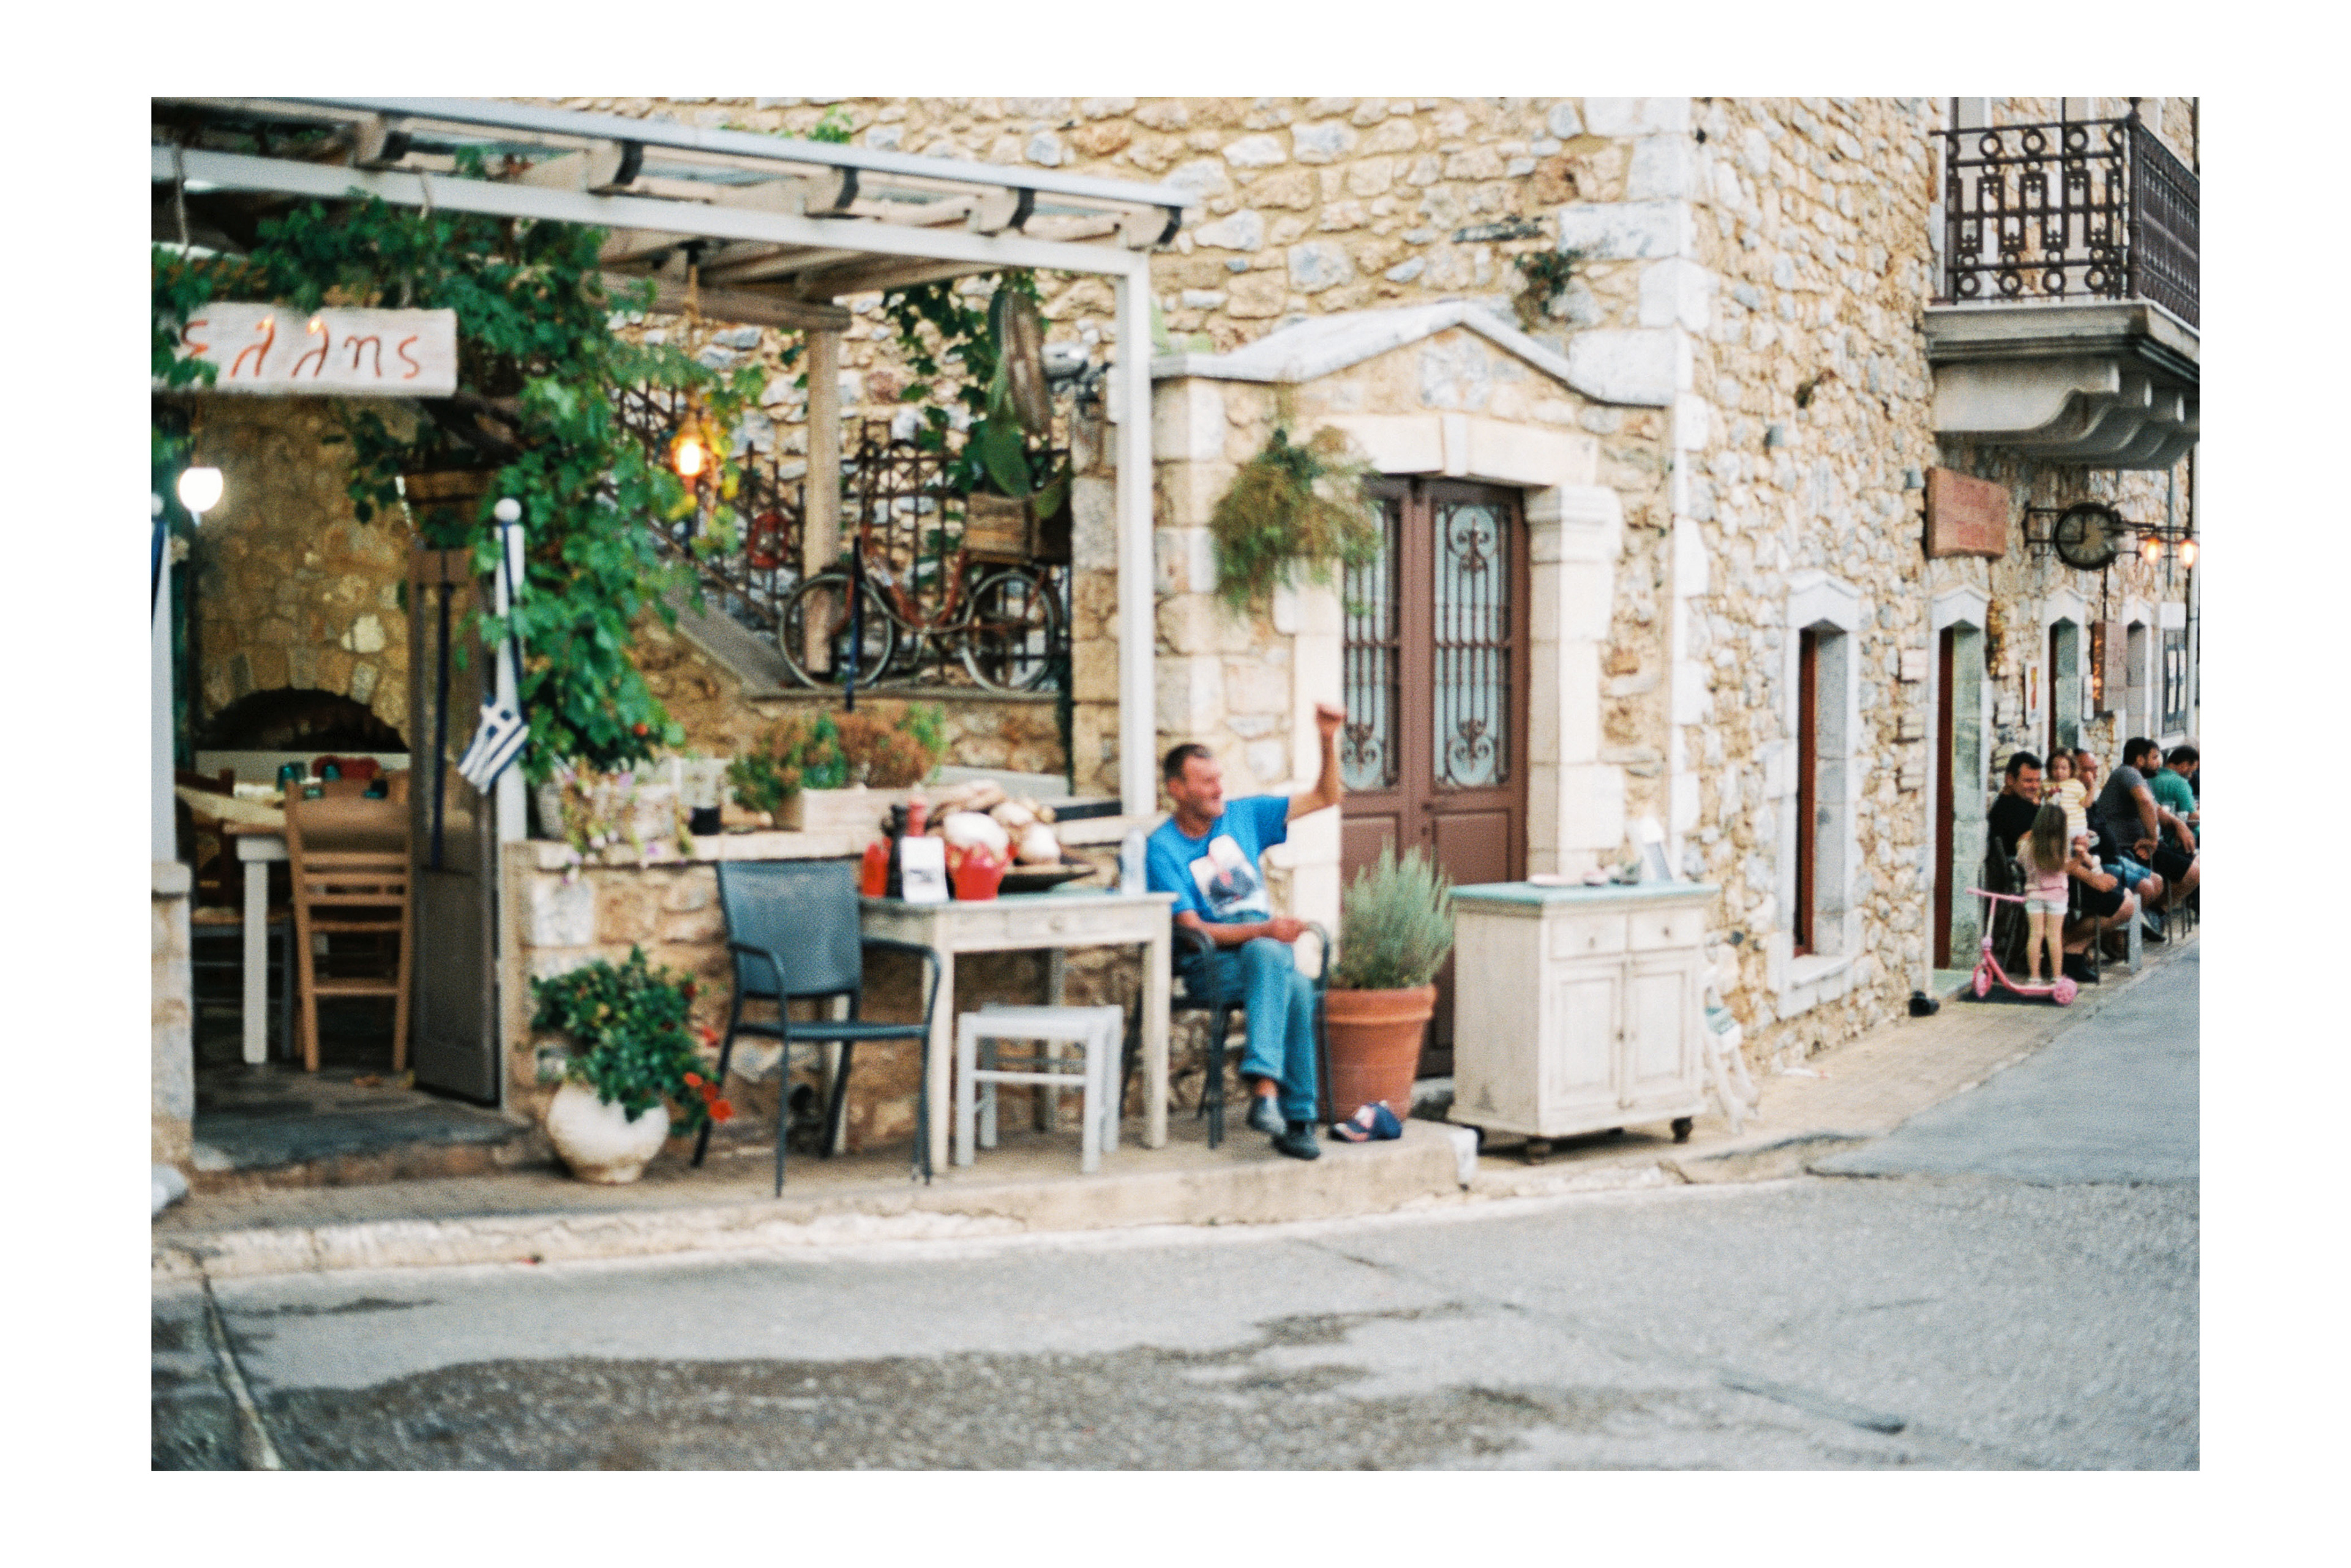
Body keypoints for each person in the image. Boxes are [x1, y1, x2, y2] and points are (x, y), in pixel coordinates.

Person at [1147, 702, 1347, 1161]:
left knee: (1288, 975)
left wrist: (1326, 740)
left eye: (1220, 778)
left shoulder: (1245, 815)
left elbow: (1326, 796)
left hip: (1262, 953)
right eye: (1206, 781)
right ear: (1177, 789)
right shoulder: (1163, 848)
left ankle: (1273, 1098)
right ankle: (1288, 1109)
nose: (1220, 788)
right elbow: (1193, 929)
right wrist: (1268, 929)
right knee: (1272, 955)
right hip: (1209, 963)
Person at [1989, 749, 2134, 980]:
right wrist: (2093, 880)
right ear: (2010, 779)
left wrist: (2079, 838)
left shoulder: (2030, 805)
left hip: (2057, 878)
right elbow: (2046, 856)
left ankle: (2069, 950)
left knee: (2126, 896)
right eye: (2027, 780)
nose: (2034, 786)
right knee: (2125, 905)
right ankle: (2064, 949)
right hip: (2044, 884)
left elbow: (2053, 843)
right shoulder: (2011, 811)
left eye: (2037, 780)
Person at [2093, 737, 2195, 936]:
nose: (2159, 762)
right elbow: (2146, 802)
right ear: (2140, 759)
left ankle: (2154, 914)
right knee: (2193, 872)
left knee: (2196, 862)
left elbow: (2157, 809)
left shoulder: (2140, 779)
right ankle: (2153, 914)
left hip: (2145, 845)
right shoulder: (2128, 773)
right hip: (2131, 847)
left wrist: (2179, 824)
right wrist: (2152, 839)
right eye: (2155, 757)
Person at [2018, 802, 2072, 985]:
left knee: (2035, 935)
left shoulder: (2026, 846)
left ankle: (2034, 977)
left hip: (2034, 895)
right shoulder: (2060, 848)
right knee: (2054, 936)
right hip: (2057, 896)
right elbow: (2067, 867)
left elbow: (2020, 860)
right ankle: (2057, 977)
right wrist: (2080, 857)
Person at [2044, 749, 2091, 855]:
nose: (2059, 772)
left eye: (2064, 768)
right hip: (2056, 828)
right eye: (2055, 768)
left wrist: (2092, 787)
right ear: (2050, 768)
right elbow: (2037, 798)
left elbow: (2086, 804)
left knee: (2080, 850)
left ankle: (2093, 864)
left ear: (2071, 769)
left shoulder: (2076, 784)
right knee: (2063, 853)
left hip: (2075, 826)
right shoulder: (2046, 783)